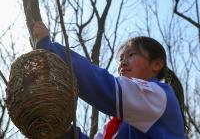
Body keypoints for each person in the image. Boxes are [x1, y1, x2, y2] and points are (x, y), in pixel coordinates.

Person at [33, 21, 185, 139]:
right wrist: (64, 132)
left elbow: (102, 85)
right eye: (120, 59)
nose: (123, 63)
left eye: (131, 55)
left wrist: (51, 51)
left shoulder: (158, 96)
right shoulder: (115, 123)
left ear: (157, 64)